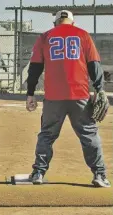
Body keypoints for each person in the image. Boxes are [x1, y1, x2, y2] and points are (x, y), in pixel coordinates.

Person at [26, 10, 110, 187]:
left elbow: (34, 67)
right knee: (89, 134)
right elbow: (94, 65)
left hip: (53, 96)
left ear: (56, 22)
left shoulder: (45, 37)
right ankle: (99, 175)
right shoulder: (83, 35)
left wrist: (30, 93)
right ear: (72, 22)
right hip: (79, 94)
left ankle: (38, 173)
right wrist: (100, 89)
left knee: (47, 135)